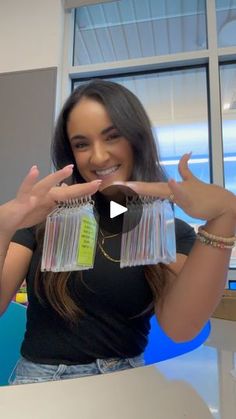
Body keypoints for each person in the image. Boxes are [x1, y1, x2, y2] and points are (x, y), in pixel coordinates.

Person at [1, 79, 235, 385]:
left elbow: (181, 328)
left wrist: (225, 216)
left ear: (137, 139)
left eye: (113, 137)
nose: (98, 158)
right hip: (41, 382)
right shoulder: (43, 221)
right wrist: (5, 222)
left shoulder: (164, 229)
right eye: (82, 144)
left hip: (125, 382)